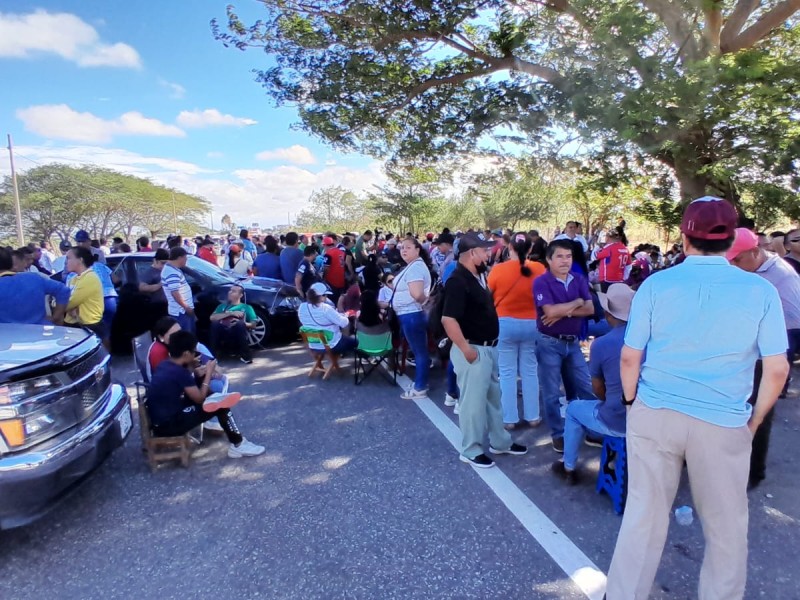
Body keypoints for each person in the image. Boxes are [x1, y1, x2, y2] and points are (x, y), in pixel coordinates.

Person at [606, 197, 790, 600]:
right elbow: (777, 369)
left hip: (656, 410)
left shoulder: (656, 284)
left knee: (643, 517)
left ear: (685, 238)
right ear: (731, 241)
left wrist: (632, 401)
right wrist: (754, 422)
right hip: (723, 421)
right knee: (726, 529)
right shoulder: (760, 291)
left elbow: (629, 356)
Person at [441, 232, 528, 468]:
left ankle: (500, 442)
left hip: (487, 349)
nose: (488, 253)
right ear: (472, 253)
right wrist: (466, 349)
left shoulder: (476, 276)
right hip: (474, 350)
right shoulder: (458, 280)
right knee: (473, 404)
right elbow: (448, 319)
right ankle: (470, 449)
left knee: (492, 400)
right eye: (484, 250)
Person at [726, 227, 800, 487]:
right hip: (744, 350)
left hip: (769, 353)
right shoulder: (749, 269)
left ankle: (752, 473)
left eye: (737, 260)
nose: (732, 265)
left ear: (755, 251)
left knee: (759, 410)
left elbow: (792, 322)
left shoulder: (779, 277)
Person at [552, 283, 633, 484]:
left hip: (617, 419)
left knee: (573, 409)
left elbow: (597, 388)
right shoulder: (650, 337)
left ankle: (568, 466)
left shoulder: (602, 344)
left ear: (608, 313)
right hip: (649, 418)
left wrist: (610, 400)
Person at [147, 330, 265, 458]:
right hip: (168, 426)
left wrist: (194, 371)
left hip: (162, 418)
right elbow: (199, 398)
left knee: (213, 397)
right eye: (193, 352)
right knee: (219, 405)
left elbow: (182, 386)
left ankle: (235, 436)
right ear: (186, 353)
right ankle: (238, 444)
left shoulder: (166, 364)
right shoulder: (180, 372)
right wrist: (208, 372)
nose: (195, 355)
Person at [534, 239, 597, 453]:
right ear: (549, 259)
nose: (565, 261)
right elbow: (549, 313)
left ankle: (593, 430)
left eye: (568, 256)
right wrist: (576, 302)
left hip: (573, 343)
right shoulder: (541, 282)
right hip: (549, 342)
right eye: (559, 256)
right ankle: (558, 434)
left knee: (586, 387)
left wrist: (567, 309)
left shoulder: (578, 279)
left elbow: (590, 309)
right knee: (552, 392)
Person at [487, 232, 547, 429]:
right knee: (530, 370)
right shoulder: (539, 269)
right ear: (530, 249)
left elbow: (490, 295)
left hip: (505, 323)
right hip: (532, 323)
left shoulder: (498, 270)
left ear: (509, 248)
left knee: (507, 372)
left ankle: (509, 418)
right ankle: (533, 416)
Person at [393, 237, 432, 400]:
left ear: (417, 249)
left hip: (412, 314)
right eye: (402, 247)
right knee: (418, 351)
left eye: (408, 247)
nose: (404, 250)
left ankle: (420, 388)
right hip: (409, 314)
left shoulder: (416, 268)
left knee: (419, 352)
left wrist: (425, 302)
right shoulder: (413, 266)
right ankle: (420, 382)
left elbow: (417, 294)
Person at [0, 247, 70, 325]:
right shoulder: (34, 278)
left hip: (7, 335)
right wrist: (56, 317)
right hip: (42, 332)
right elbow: (63, 290)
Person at [298, 282, 358, 355]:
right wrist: (345, 315)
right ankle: (368, 359)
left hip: (313, 344)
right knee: (357, 342)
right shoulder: (325, 308)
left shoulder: (302, 307)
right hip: (331, 344)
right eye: (326, 295)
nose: (326, 297)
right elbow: (344, 323)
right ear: (321, 296)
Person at [209, 284, 257, 364]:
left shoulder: (247, 307)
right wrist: (230, 314)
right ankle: (212, 357)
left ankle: (246, 357)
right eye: (230, 290)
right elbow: (212, 318)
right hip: (223, 332)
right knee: (214, 324)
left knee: (240, 324)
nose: (230, 292)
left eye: (233, 291)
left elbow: (253, 324)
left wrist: (242, 323)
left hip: (238, 333)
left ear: (240, 295)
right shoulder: (222, 306)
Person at [64, 246, 105, 338]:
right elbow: (61, 299)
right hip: (73, 324)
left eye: (69, 258)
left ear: (80, 260)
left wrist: (64, 305)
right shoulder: (73, 279)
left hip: (90, 326)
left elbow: (68, 303)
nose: (66, 262)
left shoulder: (90, 278)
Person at [161, 247, 196, 333]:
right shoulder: (171, 272)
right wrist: (186, 307)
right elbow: (175, 293)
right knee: (186, 338)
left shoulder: (172, 269)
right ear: (180, 258)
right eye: (185, 258)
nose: (186, 261)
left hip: (182, 311)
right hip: (181, 312)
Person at [322, 236, 347, 303]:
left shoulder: (328, 254)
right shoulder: (341, 252)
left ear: (325, 245)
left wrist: (323, 278)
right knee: (340, 300)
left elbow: (326, 268)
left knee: (333, 301)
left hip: (332, 281)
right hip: (341, 280)